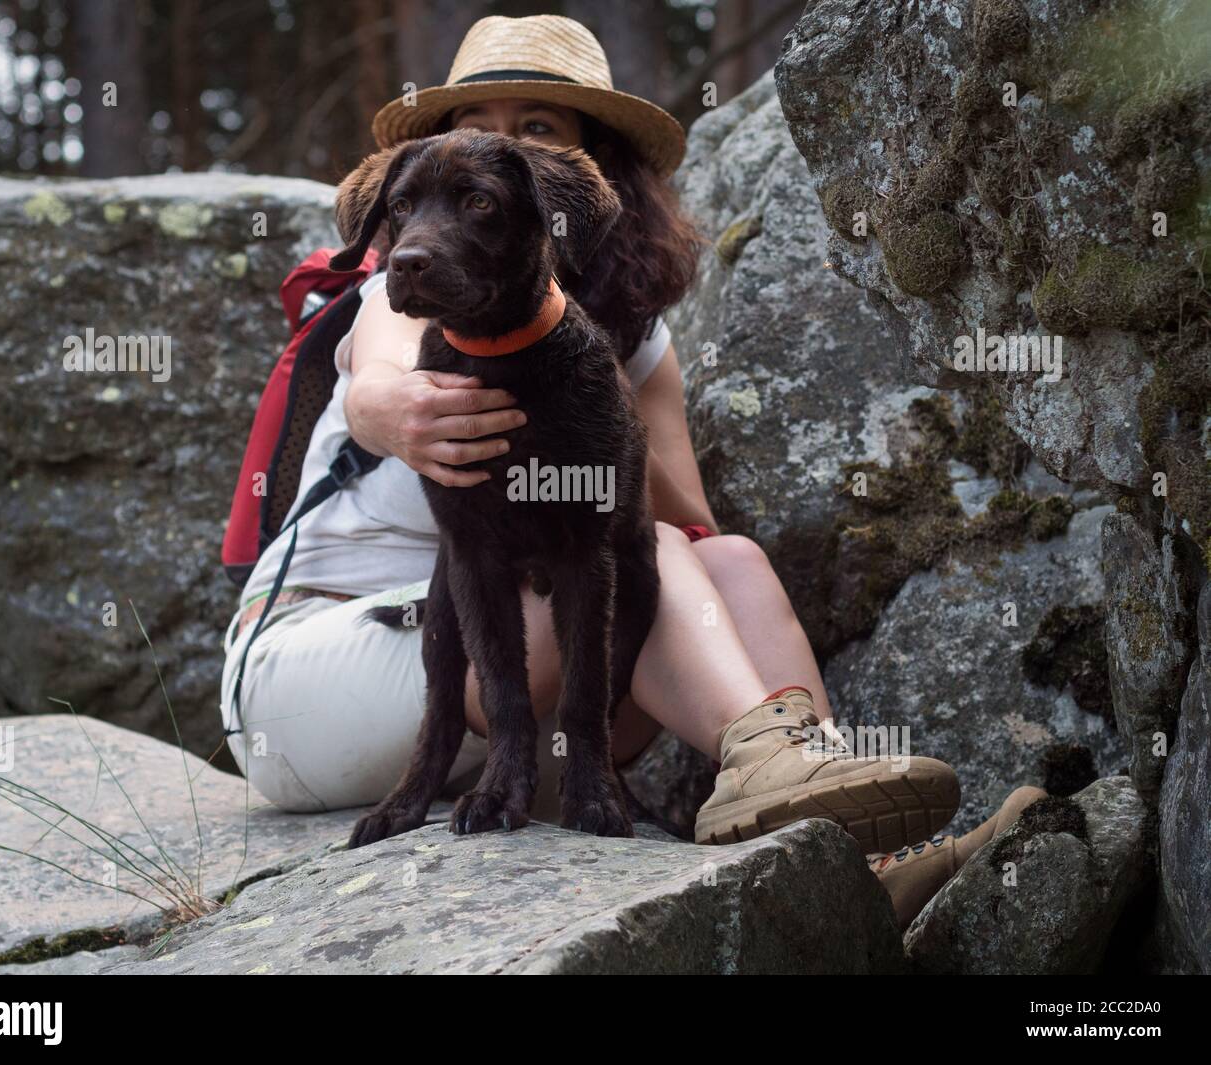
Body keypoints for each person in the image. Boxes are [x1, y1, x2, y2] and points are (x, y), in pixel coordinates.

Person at [218, 14, 962, 857]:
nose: (510, 153)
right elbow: (381, 381)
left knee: (719, 556)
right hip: (323, 676)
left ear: (582, 173)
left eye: (537, 129)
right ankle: (765, 759)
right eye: (477, 133)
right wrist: (387, 407)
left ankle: (852, 850)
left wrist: (593, 406)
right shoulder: (402, 296)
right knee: (638, 542)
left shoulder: (627, 338)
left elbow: (685, 522)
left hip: (507, 709)